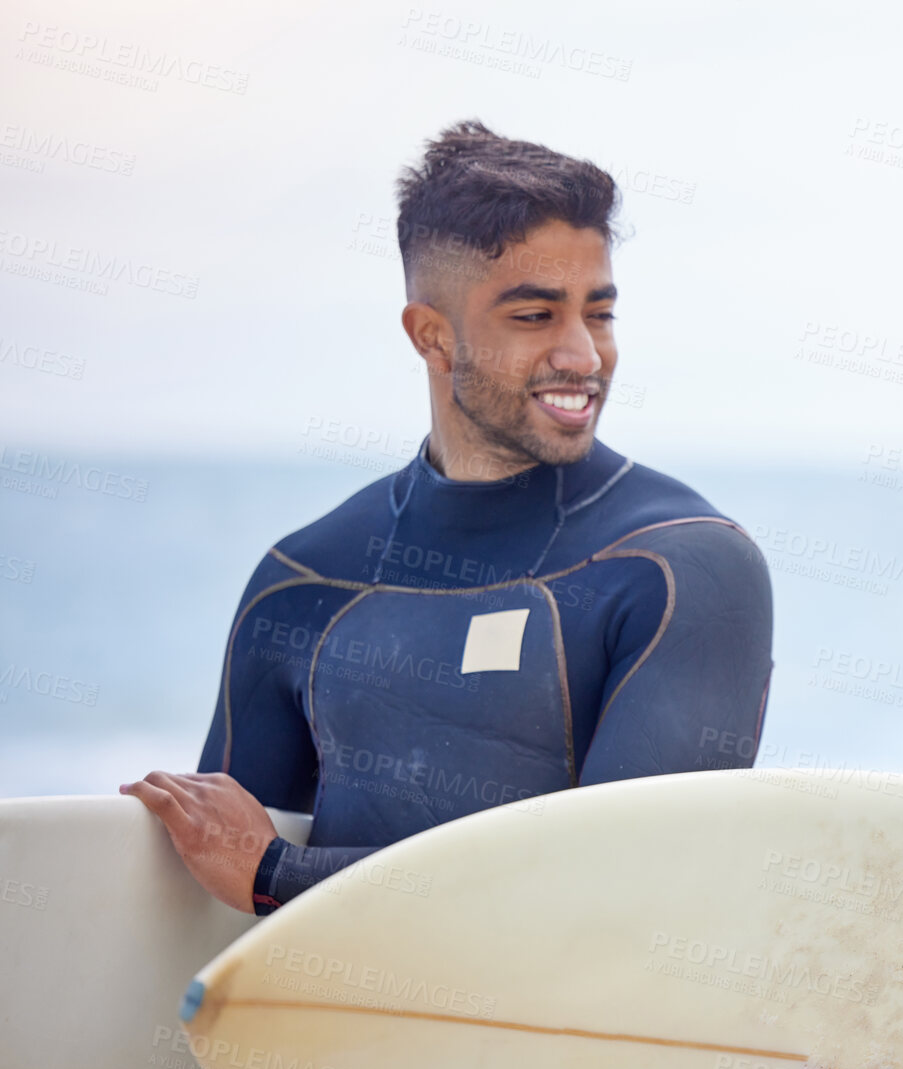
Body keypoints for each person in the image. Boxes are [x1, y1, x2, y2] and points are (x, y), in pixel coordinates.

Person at [122, 121, 775, 920]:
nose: (582, 354)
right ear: (432, 335)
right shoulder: (301, 581)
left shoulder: (682, 568)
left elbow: (623, 894)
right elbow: (213, 889)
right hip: (328, 1043)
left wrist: (278, 876)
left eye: (597, 314)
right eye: (535, 316)